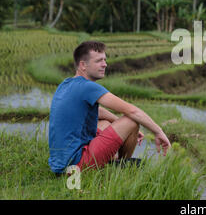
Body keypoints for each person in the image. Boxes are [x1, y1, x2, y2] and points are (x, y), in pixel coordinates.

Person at [48, 41, 171, 175]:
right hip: (75, 165)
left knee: (105, 123)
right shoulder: (87, 87)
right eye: (99, 61)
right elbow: (132, 111)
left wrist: (119, 124)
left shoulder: (66, 83)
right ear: (83, 65)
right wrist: (158, 132)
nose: (105, 64)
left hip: (60, 163)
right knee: (132, 121)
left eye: (105, 60)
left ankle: (113, 162)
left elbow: (98, 112)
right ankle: (122, 168)